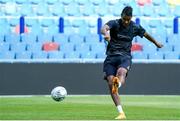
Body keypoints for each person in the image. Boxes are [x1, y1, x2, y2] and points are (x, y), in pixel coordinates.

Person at [101, 6, 163, 120]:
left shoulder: (134, 27)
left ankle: (118, 84)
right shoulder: (114, 23)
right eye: (124, 19)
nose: (125, 21)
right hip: (111, 57)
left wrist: (156, 43)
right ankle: (121, 113)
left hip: (125, 57)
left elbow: (146, 34)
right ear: (121, 16)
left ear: (131, 18)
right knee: (110, 82)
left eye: (128, 19)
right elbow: (104, 28)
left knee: (121, 72)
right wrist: (106, 34)